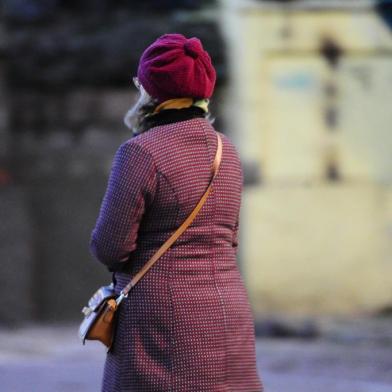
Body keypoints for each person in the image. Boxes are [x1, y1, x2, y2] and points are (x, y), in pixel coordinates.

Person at [90, 33, 263, 392]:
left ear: (151, 91)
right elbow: (229, 239)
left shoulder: (139, 152)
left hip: (162, 324)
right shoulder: (227, 151)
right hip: (228, 312)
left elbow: (110, 247)